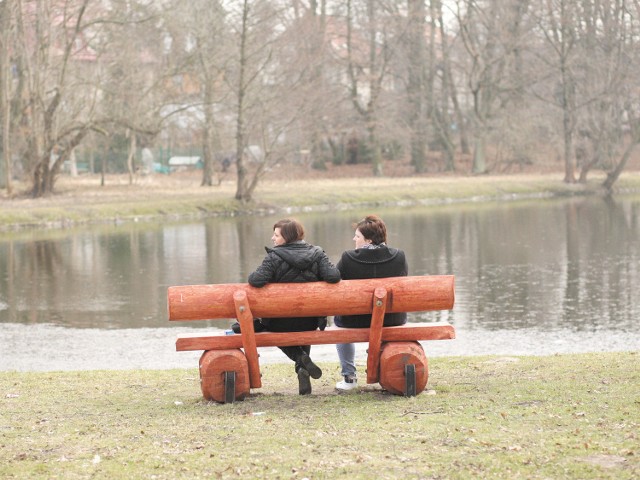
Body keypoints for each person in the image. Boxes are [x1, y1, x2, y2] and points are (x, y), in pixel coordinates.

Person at [247, 218, 341, 395]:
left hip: (279, 323)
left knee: (272, 331)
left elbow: (255, 280)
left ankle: (300, 358)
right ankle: (302, 367)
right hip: (311, 320)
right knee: (302, 325)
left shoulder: (274, 257)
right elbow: (334, 276)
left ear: (287, 237)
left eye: (276, 235)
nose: (272, 238)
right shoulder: (318, 253)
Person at [334, 215, 408, 391]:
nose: (354, 239)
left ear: (368, 239)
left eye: (357, 236)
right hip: (391, 320)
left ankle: (349, 378)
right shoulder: (399, 256)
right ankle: (384, 369)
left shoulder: (348, 258)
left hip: (353, 322)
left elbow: (334, 283)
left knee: (338, 326)